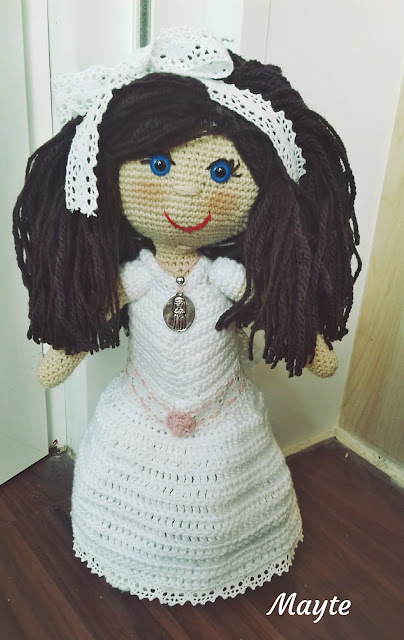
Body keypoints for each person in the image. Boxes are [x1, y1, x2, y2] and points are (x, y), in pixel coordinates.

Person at [13, 27, 360, 605]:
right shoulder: (138, 277)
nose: (189, 197)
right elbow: (88, 316)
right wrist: (63, 352)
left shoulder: (226, 278)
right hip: (144, 409)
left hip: (220, 413)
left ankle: (224, 563)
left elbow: (278, 313)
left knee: (225, 497)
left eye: (221, 172)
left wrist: (310, 342)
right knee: (128, 490)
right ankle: (129, 551)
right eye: (157, 165)